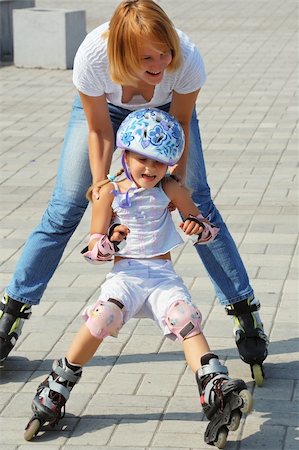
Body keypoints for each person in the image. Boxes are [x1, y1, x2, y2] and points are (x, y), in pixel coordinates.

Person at [0, 0, 267, 383]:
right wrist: (100, 183)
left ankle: (245, 311)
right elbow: (98, 130)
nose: (160, 64)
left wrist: (175, 186)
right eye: (148, 58)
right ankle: (12, 312)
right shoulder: (93, 56)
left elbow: (181, 125)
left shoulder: (187, 58)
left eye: (165, 53)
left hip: (167, 122)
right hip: (106, 115)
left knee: (198, 202)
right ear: (123, 53)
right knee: (65, 207)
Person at [24, 109, 252, 447]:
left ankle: (213, 384)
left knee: (184, 318)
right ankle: (59, 382)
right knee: (103, 316)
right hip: (126, 276)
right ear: (124, 153)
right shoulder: (107, 193)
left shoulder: (172, 188)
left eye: (159, 162)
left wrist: (195, 226)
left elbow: (206, 230)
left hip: (161, 276)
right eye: (142, 158)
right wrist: (110, 239)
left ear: (170, 164)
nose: (150, 168)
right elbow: (93, 250)